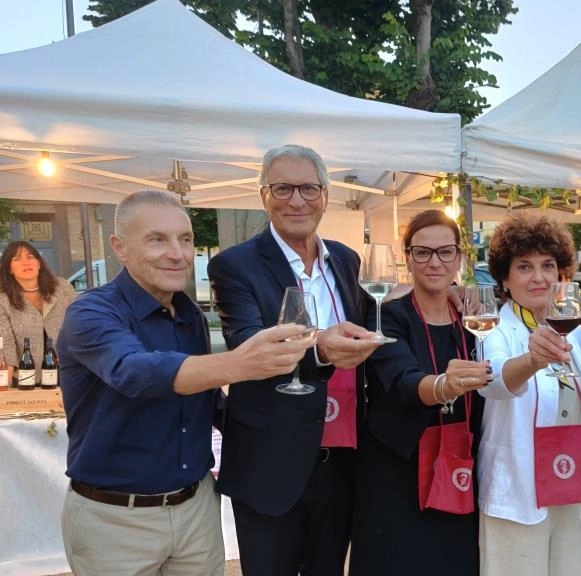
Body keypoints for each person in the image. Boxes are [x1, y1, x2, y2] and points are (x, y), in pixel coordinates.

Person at [57, 190, 310, 576]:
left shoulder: (188, 313)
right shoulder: (90, 312)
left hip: (196, 512)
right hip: (115, 521)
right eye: (157, 239)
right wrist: (240, 363)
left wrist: (288, 438)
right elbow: (134, 370)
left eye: (186, 239)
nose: (177, 253)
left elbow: (207, 402)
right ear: (119, 248)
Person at [208, 144, 381, 576]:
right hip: (271, 461)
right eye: (282, 188)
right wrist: (321, 345)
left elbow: (366, 319)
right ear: (264, 196)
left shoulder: (344, 258)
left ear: (325, 195)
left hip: (341, 458)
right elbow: (248, 342)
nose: (296, 200)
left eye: (307, 188)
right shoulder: (235, 265)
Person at [349, 210, 489, 575]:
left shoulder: (472, 319)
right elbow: (402, 382)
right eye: (422, 252)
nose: (434, 262)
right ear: (407, 257)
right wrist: (446, 384)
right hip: (397, 470)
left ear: (459, 257)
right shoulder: (388, 316)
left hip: (457, 462)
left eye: (445, 252)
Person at [477, 212, 581, 576]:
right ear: (505, 277)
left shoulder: (574, 331)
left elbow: (574, 394)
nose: (539, 277)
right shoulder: (495, 329)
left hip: (571, 479)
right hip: (518, 487)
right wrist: (532, 359)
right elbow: (495, 382)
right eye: (524, 267)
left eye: (547, 265)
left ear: (560, 273)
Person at [0, 240, 77, 385]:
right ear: (9, 268)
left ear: (39, 263)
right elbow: (6, 346)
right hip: (26, 377)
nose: (26, 262)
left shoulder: (62, 287)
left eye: (30, 257)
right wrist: (5, 389)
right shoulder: (3, 299)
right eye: (17, 259)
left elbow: (79, 324)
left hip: (68, 371)